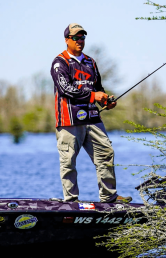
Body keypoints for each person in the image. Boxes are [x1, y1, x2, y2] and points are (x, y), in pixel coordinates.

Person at [50, 23, 132, 203]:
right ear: (67, 40)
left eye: (82, 37)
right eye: (75, 38)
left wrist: (106, 100)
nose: (80, 41)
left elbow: (98, 88)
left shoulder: (90, 62)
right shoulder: (59, 62)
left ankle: (109, 197)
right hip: (69, 120)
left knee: (106, 153)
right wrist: (94, 95)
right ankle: (71, 201)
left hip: (92, 117)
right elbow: (66, 90)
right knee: (68, 161)